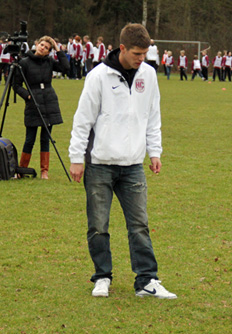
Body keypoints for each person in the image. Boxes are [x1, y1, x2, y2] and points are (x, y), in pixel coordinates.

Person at [68, 23, 177, 300]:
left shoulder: (149, 75)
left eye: (145, 53)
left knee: (139, 224)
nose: (142, 58)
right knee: (98, 225)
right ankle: (102, 276)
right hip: (99, 163)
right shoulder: (98, 77)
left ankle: (147, 280)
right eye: (137, 53)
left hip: (133, 165)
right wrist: (76, 157)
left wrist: (155, 152)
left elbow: (152, 116)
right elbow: (83, 120)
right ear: (123, 48)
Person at [13, 36, 70, 180]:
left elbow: (66, 68)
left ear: (48, 52)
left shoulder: (50, 61)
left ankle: (45, 171)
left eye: (46, 48)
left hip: (49, 101)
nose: (42, 48)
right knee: (30, 139)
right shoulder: (24, 62)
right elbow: (16, 85)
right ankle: (22, 170)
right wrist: (28, 96)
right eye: (41, 45)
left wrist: (58, 50)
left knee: (46, 138)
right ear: (37, 44)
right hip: (33, 103)